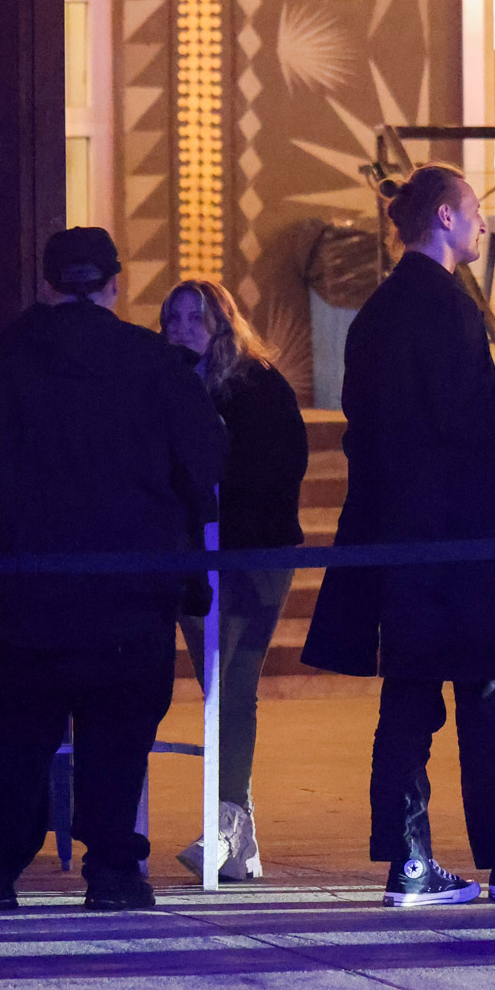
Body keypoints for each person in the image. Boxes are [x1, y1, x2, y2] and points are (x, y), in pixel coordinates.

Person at [0, 225, 226, 914]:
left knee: (20, 741)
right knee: (118, 739)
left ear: (46, 283)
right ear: (116, 284)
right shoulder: (154, 364)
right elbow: (204, 468)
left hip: (19, 588)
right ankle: (114, 868)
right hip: (130, 589)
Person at [302, 165, 495, 909]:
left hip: (397, 541)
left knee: (409, 704)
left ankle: (409, 859)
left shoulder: (378, 313)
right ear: (448, 218)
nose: (484, 226)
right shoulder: (446, 309)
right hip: (461, 545)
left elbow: (372, 427)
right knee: (487, 708)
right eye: (477, 212)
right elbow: (470, 423)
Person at [162, 277, 308, 882]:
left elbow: (278, 466)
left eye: (194, 318)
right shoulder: (169, 388)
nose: (180, 331)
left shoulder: (256, 385)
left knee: (230, 685)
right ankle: (236, 829)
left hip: (251, 556)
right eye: (171, 320)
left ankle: (225, 823)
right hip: (198, 555)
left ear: (223, 322)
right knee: (224, 688)